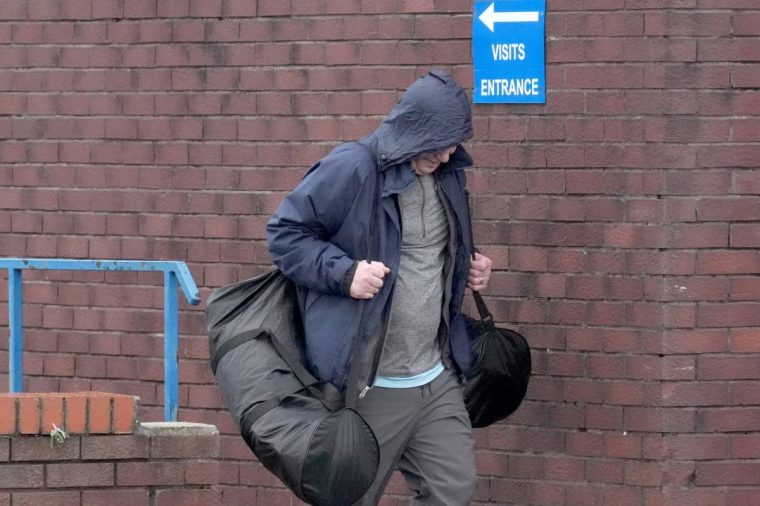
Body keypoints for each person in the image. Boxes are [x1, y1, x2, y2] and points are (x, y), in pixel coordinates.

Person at [266, 69, 493, 506]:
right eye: (441, 141)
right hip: (371, 382)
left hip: (434, 373)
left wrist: (471, 265)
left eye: (454, 142)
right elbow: (286, 234)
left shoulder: (447, 175)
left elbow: (435, 250)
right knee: (351, 498)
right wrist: (345, 274)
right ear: (414, 130)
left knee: (453, 491)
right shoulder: (354, 167)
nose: (448, 154)